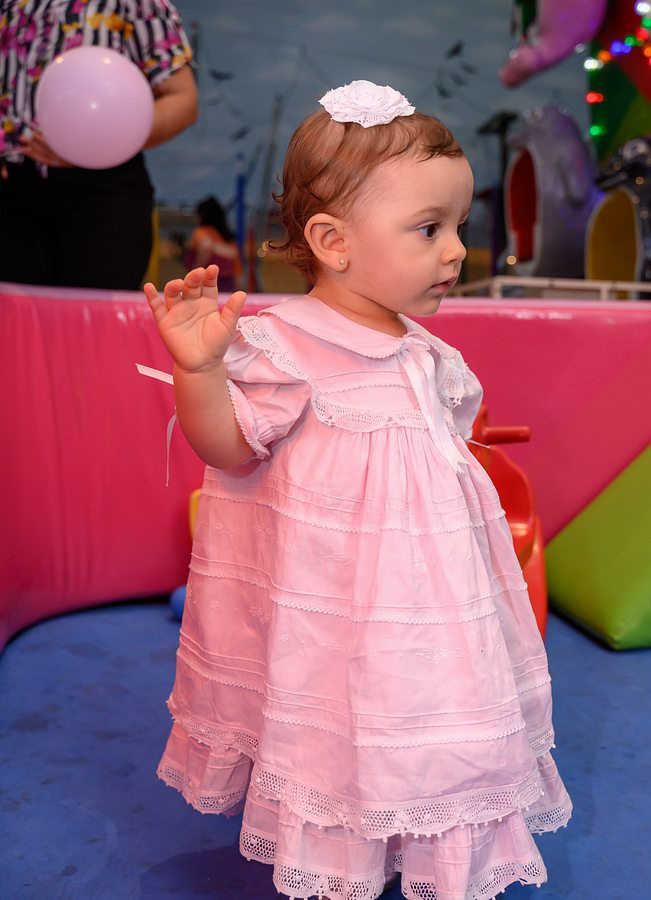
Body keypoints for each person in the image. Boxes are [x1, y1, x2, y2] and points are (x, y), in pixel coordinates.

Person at [144, 80, 572, 900]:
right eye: (429, 229)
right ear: (333, 242)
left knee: (425, 729)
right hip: (333, 617)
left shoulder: (427, 355)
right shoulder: (284, 345)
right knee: (341, 734)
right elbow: (227, 448)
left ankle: (424, 841)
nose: (456, 251)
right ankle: (341, 860)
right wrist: (199, 372)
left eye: (458, 226)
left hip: (426, 612)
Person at [0, 0, 198, 290]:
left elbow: (183, 99)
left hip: (102, 193)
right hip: (10, 188)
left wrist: (99, 142)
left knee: (91, 314)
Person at [184, 196, 243, 292]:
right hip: (228, 285)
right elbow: (238, 273)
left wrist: (194, 274)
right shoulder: (229, 240)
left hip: (207, 284)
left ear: (201, 215)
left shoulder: (201, 232)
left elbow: (205, 247)